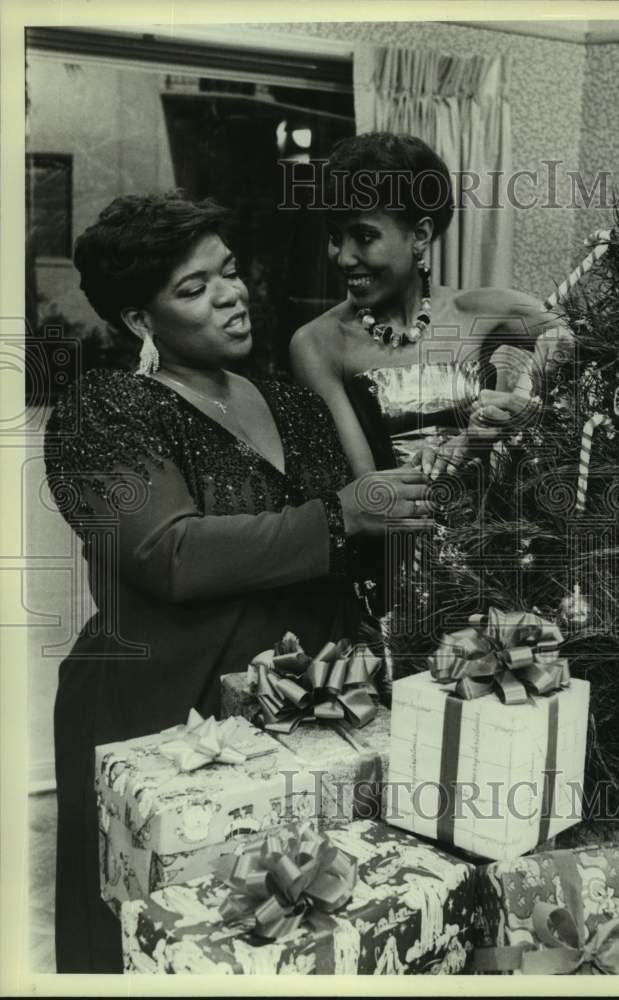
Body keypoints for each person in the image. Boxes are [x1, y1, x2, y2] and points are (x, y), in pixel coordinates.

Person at [44, 191, 431, 973]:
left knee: (306, 936)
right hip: (161, 719)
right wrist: (341, 515)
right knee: (175, 942)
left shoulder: (293, 404)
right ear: (138, 323)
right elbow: (170, 555)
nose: (230, 296)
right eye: (194, 289)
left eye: (228, 273)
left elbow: (352, 552)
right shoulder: (103, 412)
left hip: (308, 719)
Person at [289, 132, 574, 481]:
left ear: (420, 236)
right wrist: (468, 444)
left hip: (491, 530)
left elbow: (588, 342)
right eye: (335, 237)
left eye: (364, 237)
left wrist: (531, 389)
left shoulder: (482, 311)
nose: (344, 257)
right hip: (392, 531)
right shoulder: (317, 344)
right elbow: (366, 490)